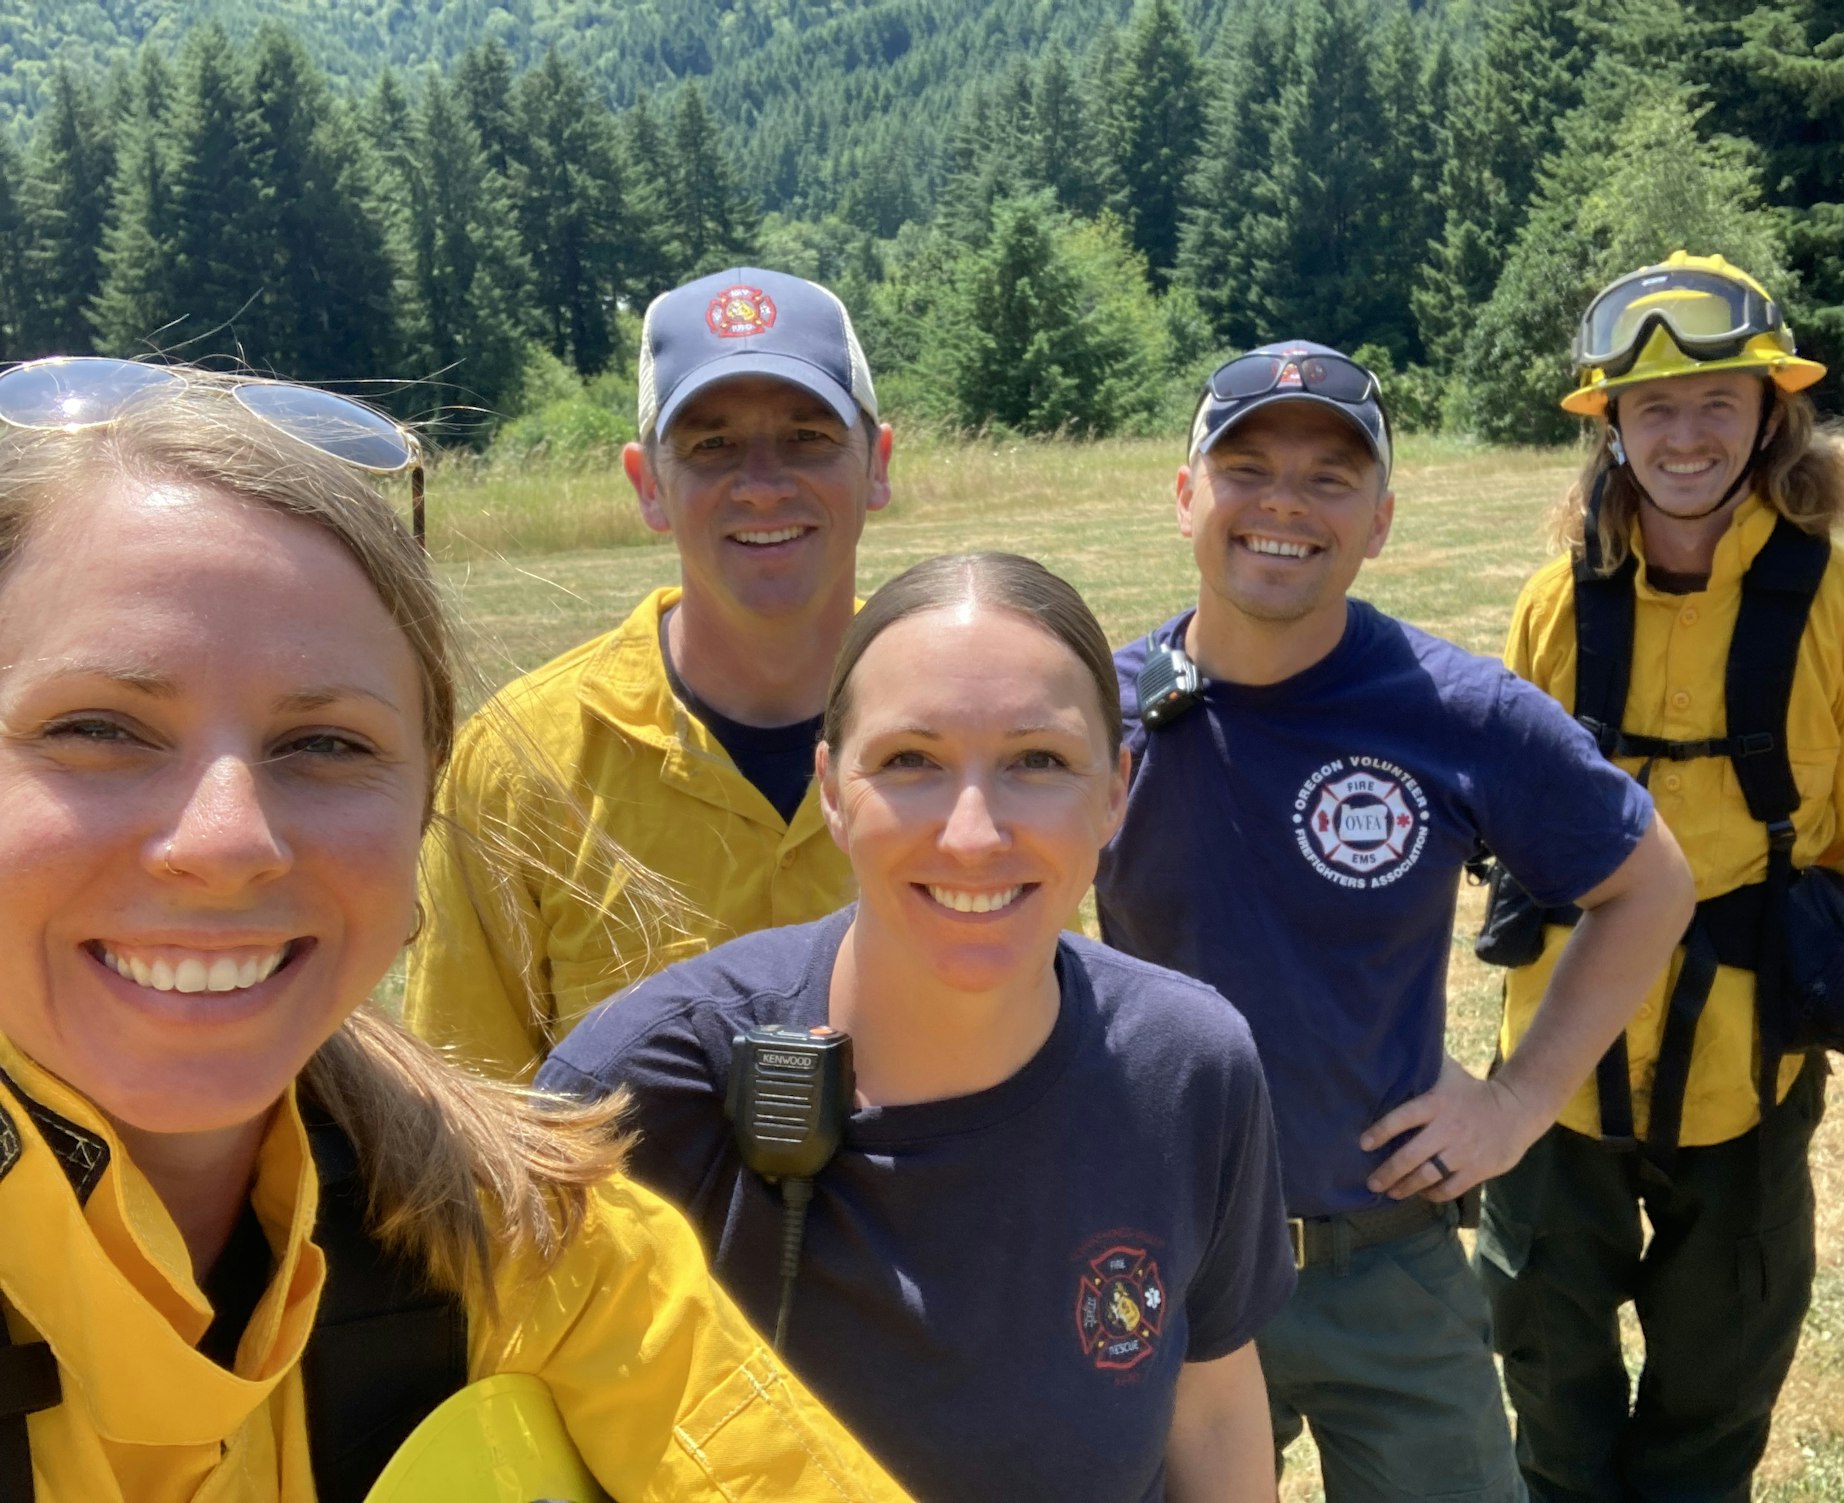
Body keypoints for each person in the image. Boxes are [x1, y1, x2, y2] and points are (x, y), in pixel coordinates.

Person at [0, 358, 910, 1502]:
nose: (227, 839)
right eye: (98, 728)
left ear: (424, 817)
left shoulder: (541, 1253)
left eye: (325, 744)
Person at [540, 552, 1298, 1503]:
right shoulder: (639, 1088)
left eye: (1039, 760)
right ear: (829, 788)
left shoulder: (1190, 1067)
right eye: (910, 761)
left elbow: (1214, 1409)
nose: (973, 833)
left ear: (1115, 791)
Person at [1091, 342, 1698, 1502]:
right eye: (1246, 467)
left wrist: (1517, 1103)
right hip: (1172, 1261)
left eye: (1329, 476)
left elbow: (1649, 883)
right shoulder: (1102, 714)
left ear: (1376, 521)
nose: (1283, 504)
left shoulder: (1454, 711)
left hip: (1387, 1261)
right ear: (1183, 500)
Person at [1476, 252, 1844, 1501]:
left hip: (1751, 1056)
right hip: (1560, 1055)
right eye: (1652, 409)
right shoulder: (1554, 605)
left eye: (1715, 404)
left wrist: (1807, 989)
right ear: (1609, 426)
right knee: (1543, 1363)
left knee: (1718, 1373)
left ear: (1768, 418)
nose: (1683, 437)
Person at [407, 268, 893, 1077]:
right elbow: (465, 1111)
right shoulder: (519, 765)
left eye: (809, 436)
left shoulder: (966, 721)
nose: (764, 484)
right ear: (648, 485)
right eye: (712, 445)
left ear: (876, 465)